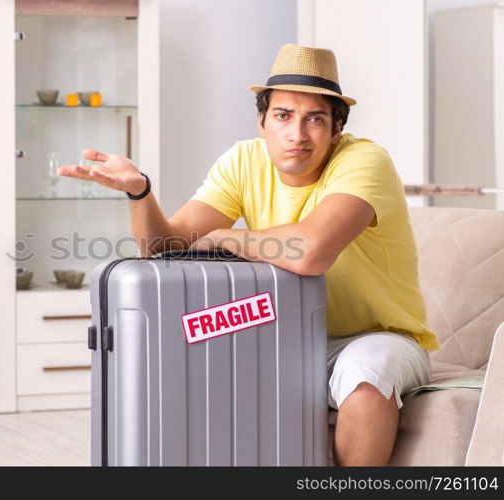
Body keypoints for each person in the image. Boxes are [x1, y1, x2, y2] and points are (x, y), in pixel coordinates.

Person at [58, 43, 439, 466]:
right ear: (261, 121)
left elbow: (310, 252)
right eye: (283, 116)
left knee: (366, 374)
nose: (297, 134)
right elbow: (164, 250)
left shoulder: (365, 160)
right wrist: (139, 192)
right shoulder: (242, 161)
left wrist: (226, 237)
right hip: (282, 334)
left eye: (315, 119)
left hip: (377, 336)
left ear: (337, 127)